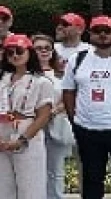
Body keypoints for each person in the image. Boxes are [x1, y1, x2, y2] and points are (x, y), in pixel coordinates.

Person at [61, 16, 111, 199]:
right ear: (90, 34)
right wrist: (74, 120)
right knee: (91, 180)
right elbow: (68, 90)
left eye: (108, 31)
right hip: (88, 130)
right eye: (98, 31)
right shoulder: (78, 59)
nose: (103, 35)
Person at [0, 35, 53, 199]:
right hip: (1, 128)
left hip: (26, 128)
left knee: (30, 186)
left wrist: (23, 139)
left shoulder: (41, 81)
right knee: (2, 186)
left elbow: (43, 116)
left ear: (29, 53)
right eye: (10, 52)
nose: (15, 55)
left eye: (19, 51)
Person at [32, 34, 71, 199]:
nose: (43, 51)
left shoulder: (61, 74)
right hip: (31, 128)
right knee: (33, 171)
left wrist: (53, 111)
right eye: (39, 48)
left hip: (55, 126)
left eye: (47, 48)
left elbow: (69, 98)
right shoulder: (26, 74)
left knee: (55, 171)